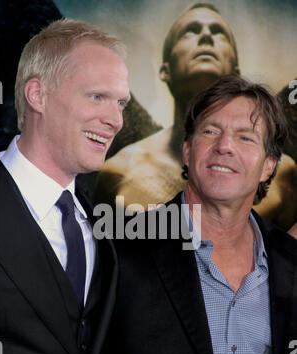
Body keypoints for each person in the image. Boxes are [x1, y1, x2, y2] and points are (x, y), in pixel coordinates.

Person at [100, 75, 297, 354]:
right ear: (188, 151)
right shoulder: (122, 249)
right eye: (210, 131)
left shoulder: (289, 264)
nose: (224, 146)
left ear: (269, 165)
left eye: (245, 137)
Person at [0, 18, 130, 354]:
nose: (114, 119)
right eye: (98, 97)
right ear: (38, 94)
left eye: (122, 104)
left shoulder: (102, 226)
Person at [95, 3, 297, 230]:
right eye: (190, 31)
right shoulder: (117, 172)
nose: (206, 36)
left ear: (236, 70)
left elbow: (288, 261)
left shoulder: (282, 173)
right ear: (165, 70)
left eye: (219, 33)